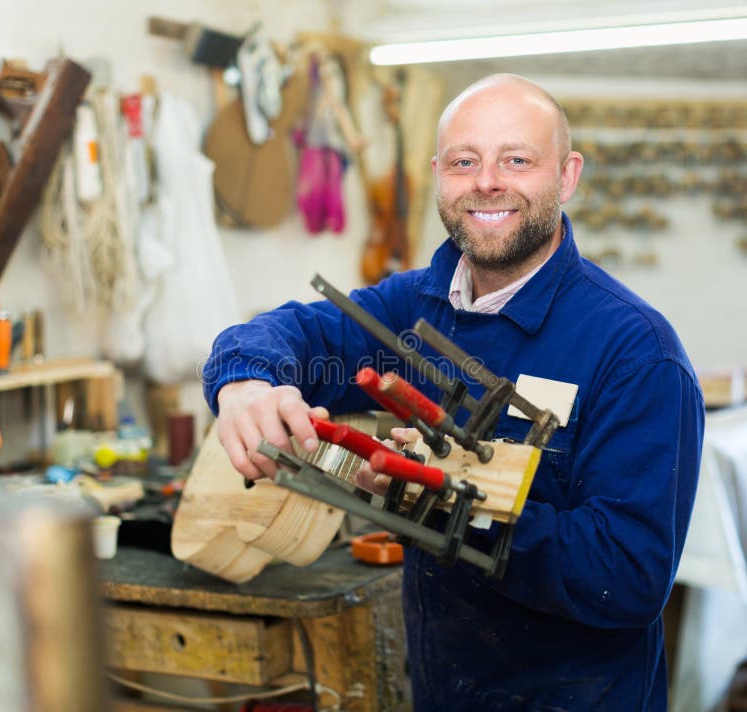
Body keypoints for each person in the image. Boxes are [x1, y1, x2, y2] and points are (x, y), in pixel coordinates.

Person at [203, 74, 704, 711]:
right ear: (440, 174)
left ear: (567, 176)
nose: (487, 181)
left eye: (517, 159)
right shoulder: (414, 309)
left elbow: (627, 576)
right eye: (465, 162)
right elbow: (296, 334)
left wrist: (446, 506)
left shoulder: (636, 353)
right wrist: (245, 382)